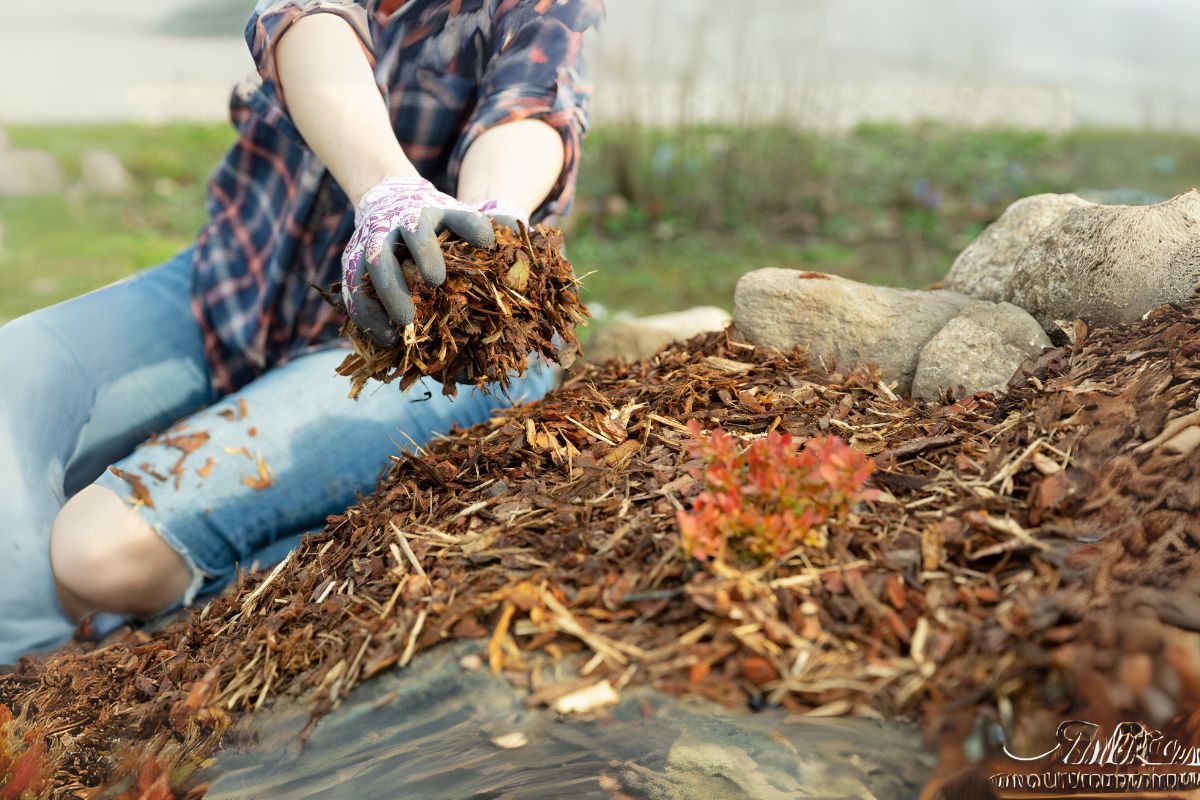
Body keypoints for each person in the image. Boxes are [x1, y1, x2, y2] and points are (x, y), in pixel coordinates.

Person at [0, 0, 603, 663]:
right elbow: (307, 19)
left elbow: (531, 106)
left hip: (424, 351)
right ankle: (25, 685)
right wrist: (389, 190)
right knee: (15, 377)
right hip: (232, 284)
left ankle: (116, 661)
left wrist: (492, 217)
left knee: (96, 556)